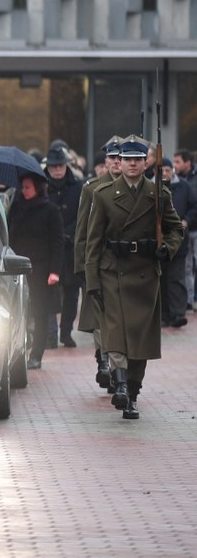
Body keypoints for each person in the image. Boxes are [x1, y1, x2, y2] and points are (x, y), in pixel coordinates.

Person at [85, 136, 185, 420]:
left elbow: (175, 229)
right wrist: (92, 280)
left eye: (137, 160)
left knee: (140, 341)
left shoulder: (159, 195)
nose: (131, 164)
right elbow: (93, 242)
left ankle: (132, 393)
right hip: (112, 271)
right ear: (121, 161)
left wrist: (167, 249)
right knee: (115, 333)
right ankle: (119, 385)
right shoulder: (103, 195)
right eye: (127, 159)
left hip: (144, 273)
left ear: (145, 163)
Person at [76, 136, 123, 392]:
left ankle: (116, 368)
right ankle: (104, 360)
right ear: (105, 162)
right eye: (113, 159)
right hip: (98, 263)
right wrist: (81, 267)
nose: (117, 163)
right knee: (99, 318)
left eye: (120, 158)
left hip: (124, 265)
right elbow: (82, 232)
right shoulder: (91, 189)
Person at [8, 172, 63, 370]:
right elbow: (10, 235)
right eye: (23, 187)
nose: (24, 191)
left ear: (38, 187)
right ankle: (19, 350)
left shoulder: (50, 210)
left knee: (40, 313)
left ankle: (36, 354)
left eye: (28, 187)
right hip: (18, 268)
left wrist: (55, 271)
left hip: (41, 270)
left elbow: (57, 242)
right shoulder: (17, 207)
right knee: (18, 311)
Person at [44, 146, 83, 348]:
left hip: (71, 246)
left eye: (60, 166)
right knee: (48, 290)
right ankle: (50, 333)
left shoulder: (77, 186)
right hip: (49, 247)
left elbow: (82, 215)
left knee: (71, 291)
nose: (57, 170)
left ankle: (66, 332)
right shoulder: (41, 185)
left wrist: (68, 233)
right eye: (53, 166)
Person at [158, 157, 197, 327]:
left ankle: (178, 313)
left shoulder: (183, 186)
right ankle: (164, 314)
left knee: (176, 277)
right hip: (159, 239)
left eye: (168, 169)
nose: (165, 173)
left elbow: (194, 205)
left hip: (179, 238)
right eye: (162, 170)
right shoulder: (151, 186)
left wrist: (187, 220)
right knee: (161, 278)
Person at [173, 149, 197, 310]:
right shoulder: (177, 182)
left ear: (187, 163)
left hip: (195, 228)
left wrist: (188, 219)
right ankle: (189, 299)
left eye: (178, 162)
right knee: (187, 265)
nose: (175, 166)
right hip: (185, 230)